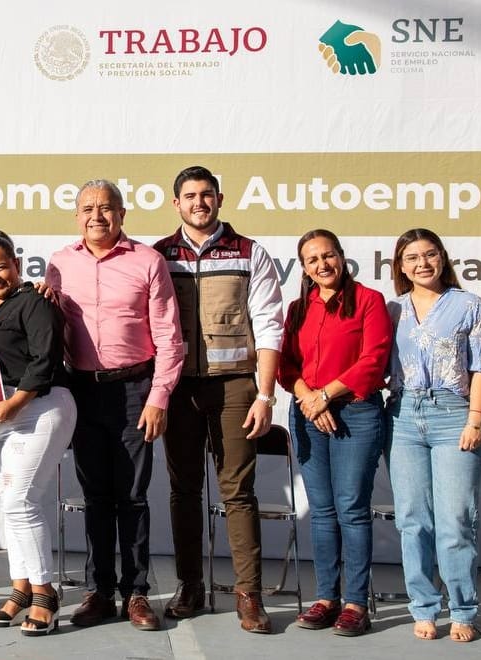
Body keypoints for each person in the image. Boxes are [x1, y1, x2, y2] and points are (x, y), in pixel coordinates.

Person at [45, 179, 184, 632]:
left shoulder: (148, 261)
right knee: (95, 497)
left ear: (122, 214)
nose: (96, 216)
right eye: (87, 208)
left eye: (106, 208)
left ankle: (137, 592)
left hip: (135, 391)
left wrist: (159, 396)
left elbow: (169, 337)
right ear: (76, 216)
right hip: (82, 392)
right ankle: (100, 592)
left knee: (133, 496)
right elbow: (48, 328)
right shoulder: (59, 263)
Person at [152, 165, 284, 633]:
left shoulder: (249, 252)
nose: (199, 203)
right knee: (184, 490)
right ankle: (190, 586)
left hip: (234, 387)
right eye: (190, 196)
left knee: (238, 492)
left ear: (220, 199)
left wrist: (265, 394)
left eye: (206, 195)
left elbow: (269, 326)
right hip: (179, 388)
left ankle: (249, 595)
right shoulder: (159, 255)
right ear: (176, 203)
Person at [277, 229, 390, 636]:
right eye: (313, 259)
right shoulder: (298, 309)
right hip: (308, 411)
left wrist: (325, 395)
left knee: (351, 508)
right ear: (304, 268)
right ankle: (326, 598)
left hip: (356, 412)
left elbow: (373, 360)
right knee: (322, 511)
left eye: (328, 255)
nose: (322, 264)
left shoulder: (369, 300)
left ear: (342, 257)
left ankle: (356, 603)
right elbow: (286, 365)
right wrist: (311, 399)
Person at [387, 228, 481, 642]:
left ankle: (463, 609)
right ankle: (424, 606)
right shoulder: (392, 310)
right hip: (402, 416)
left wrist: (475, 420)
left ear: (443, 257)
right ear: (401, 266)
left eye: (430, 254)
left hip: (454, 416)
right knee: (413, 521)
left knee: (455, 521)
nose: (423, 264)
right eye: (412, 257)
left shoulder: (469, 305)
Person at [0, 231, 77, 636]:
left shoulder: (35, 301)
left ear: (16, 264)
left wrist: (17, 402)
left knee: (20, 502)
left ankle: (45, 595)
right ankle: (21, 590)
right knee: (7, 503)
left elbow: (45, 357)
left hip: (38, 408)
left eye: (1, 267)